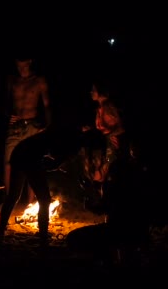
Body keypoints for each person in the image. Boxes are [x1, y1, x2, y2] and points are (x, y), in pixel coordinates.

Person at [67, 81, 150, 265]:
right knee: (108, 182)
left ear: (101, 90)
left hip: (116, 147)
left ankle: (117, 234)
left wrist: (112, 138)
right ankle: (116, 230)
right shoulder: (101, 107)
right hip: (112, 146)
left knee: (114, 183)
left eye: (93, 89)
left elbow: (119, 126)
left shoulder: (109, 107)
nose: (90, 92)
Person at [0, 124, 83, 242]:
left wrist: (55, 164)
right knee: (44, 199)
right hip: (28, 156)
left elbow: (52, 158)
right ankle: (43, 237)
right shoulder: (66, 139)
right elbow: (55, 157)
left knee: (13, 196)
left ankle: (0, 233)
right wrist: (58, 163)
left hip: (20, 152)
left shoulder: (60, 135)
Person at [3, 57, 52, 205]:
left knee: (32, 163)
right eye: (18, 65)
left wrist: (48, 127)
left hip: (32, 125)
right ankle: (8, 199)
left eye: (23, 64)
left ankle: (30, 201)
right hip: (15, 126)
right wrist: (7, 116)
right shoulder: (12, 80)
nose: (21, 68)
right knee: (8, 162)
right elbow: (4, 102)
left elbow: (47, 104)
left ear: (30, 61)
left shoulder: (38, 81)